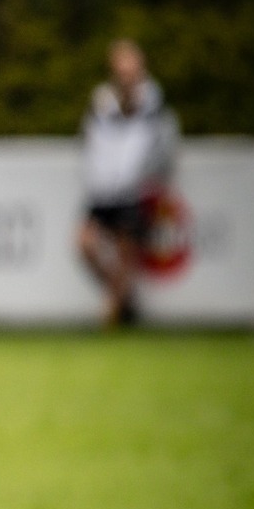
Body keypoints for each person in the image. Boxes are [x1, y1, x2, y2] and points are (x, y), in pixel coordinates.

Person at [78, 38, 178, 327]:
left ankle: (112, 317)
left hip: (133, 191)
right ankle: (123, 300)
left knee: (125, 254)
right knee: (85, 243)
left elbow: (163, 145)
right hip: (102, 189)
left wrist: (153, 180)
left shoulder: (153, 102)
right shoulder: (102, 100)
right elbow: (92, 140)